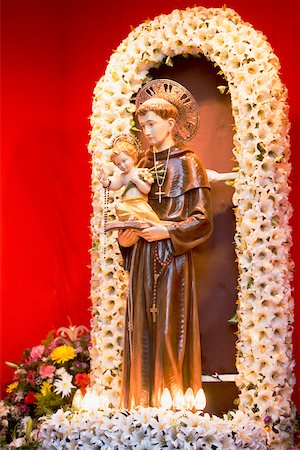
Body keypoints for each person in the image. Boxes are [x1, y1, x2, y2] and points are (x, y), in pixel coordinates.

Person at [118, 79, 214, 408]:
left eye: (152, 124)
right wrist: (125, 235)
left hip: (171, 259)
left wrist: (167, 232)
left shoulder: (188, 163)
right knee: (140, 327)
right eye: (142, 125)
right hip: (142, 257)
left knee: (170, 327)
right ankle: (140, 402)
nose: (146, 131)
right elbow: (128, 207)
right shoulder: (140, 166)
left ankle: (175, 405)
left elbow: (202, 219)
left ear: (171, 124)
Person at [98, 134, 161, 226]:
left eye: (124, 161)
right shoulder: (123, 177)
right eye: (118, 164)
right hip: (127, 204)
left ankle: (140, 220)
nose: (122, 165)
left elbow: (146, 190)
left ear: (133, 157)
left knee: (147, 214)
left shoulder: (141, 172)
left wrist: (137, 181)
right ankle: (132, 218)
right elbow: (115, 185)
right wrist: (105, 182)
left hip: (139, 203)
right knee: (119, 207)